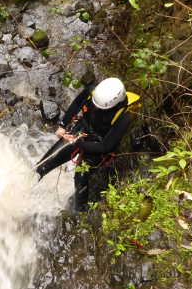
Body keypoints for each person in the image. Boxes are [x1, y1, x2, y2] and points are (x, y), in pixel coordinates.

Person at [36, 77, 139, 211]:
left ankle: (80, 212)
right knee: (48, 161)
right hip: (83, 128)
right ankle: (33, 178)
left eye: (99, 107)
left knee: (81, 176)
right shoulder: (95, 91)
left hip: (100, 142)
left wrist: (79, 145)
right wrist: (63, 125)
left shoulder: (126, 114)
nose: (95, 106)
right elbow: (77, 103)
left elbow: (106, 146)